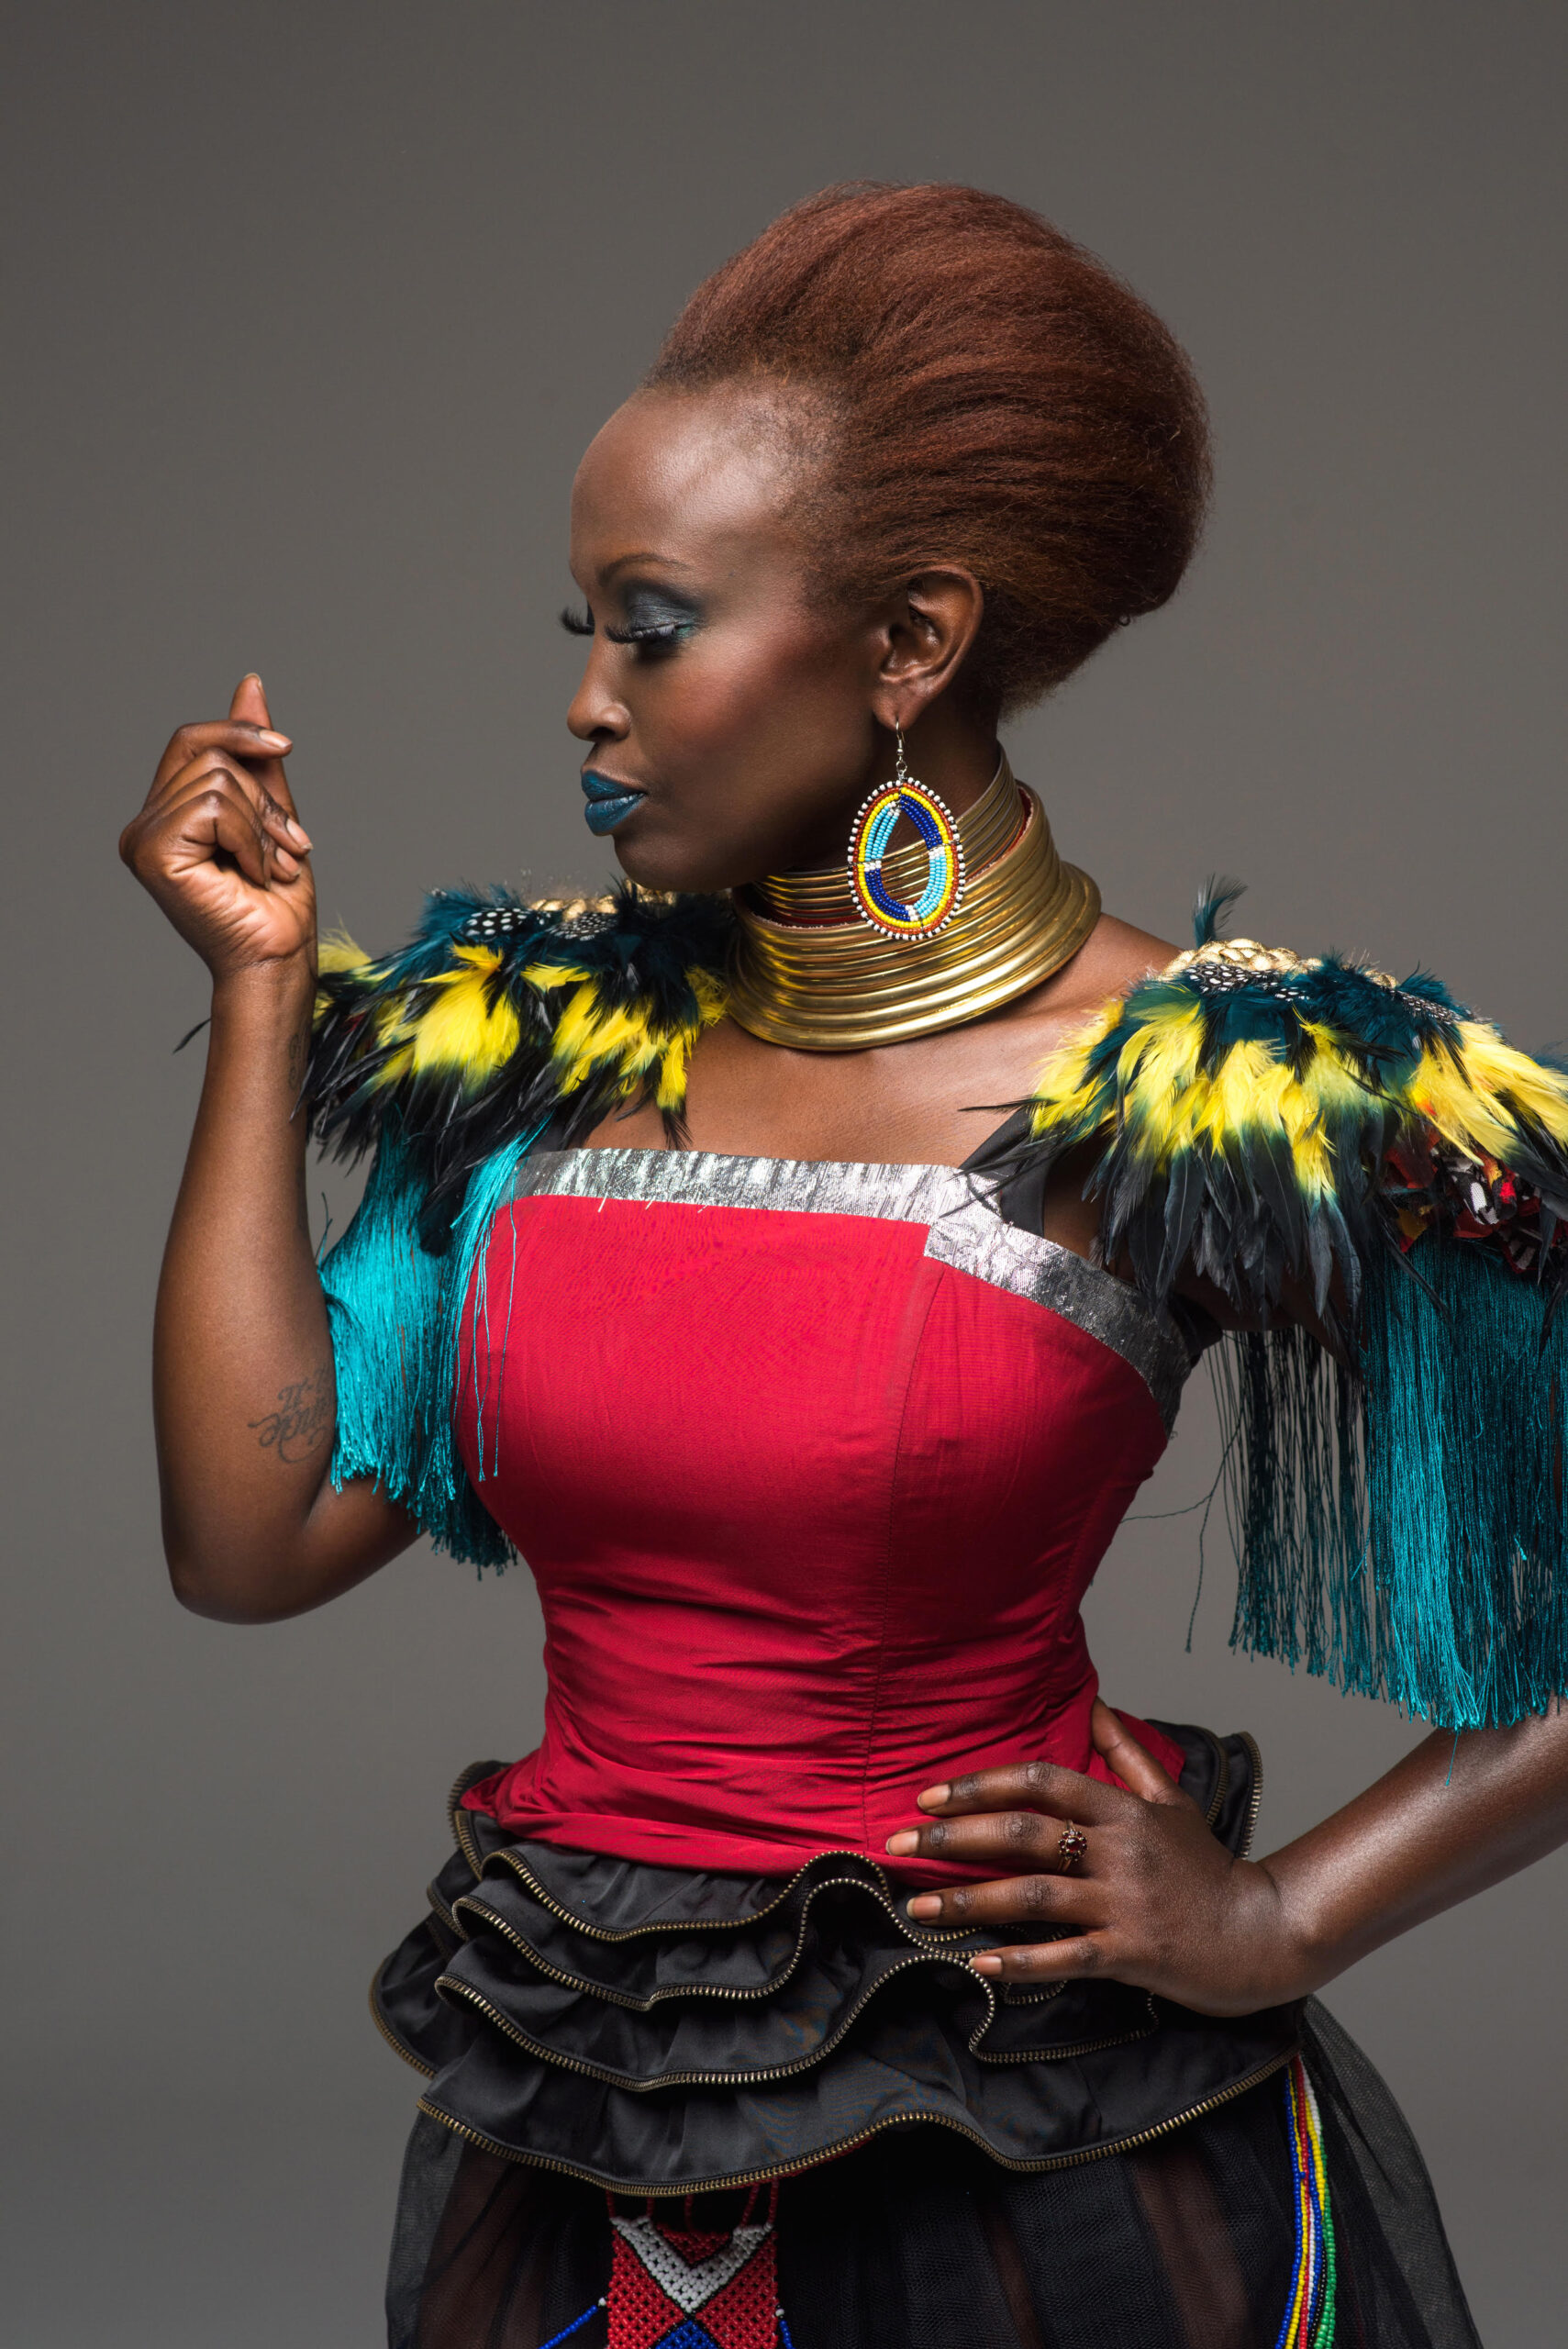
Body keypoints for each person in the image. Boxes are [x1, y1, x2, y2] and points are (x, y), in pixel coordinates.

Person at [120, 183, 1568, 2349]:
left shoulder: (1208, 1086)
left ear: (909, 645)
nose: (588, 705)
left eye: (653, 626)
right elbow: (247, 1541)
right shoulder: (537, 1056)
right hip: (577, 2088)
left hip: (1034, 2137)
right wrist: (259, 999)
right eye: (581, 630)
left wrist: (1281, 1914)